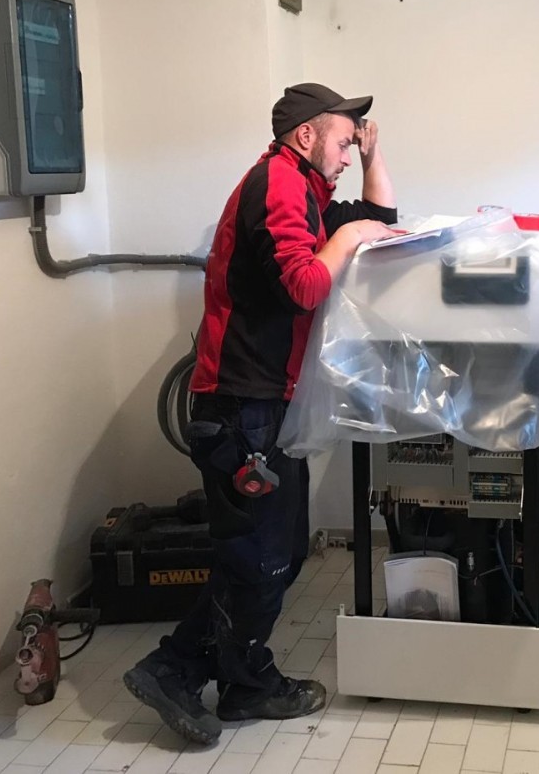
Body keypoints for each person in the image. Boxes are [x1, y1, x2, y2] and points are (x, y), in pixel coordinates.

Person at [123, 84, 398, 745]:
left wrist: (372, 159)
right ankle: (199, 673)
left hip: (265, 406)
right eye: (342, 141)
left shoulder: (307, 192)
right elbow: (303, 286)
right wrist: (349, 235)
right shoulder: (277, 183)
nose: (347, 154)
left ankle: (217, 678)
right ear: (306, 136)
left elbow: (382, 217)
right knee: (263, 558)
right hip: (241, 410)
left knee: (272, 553)